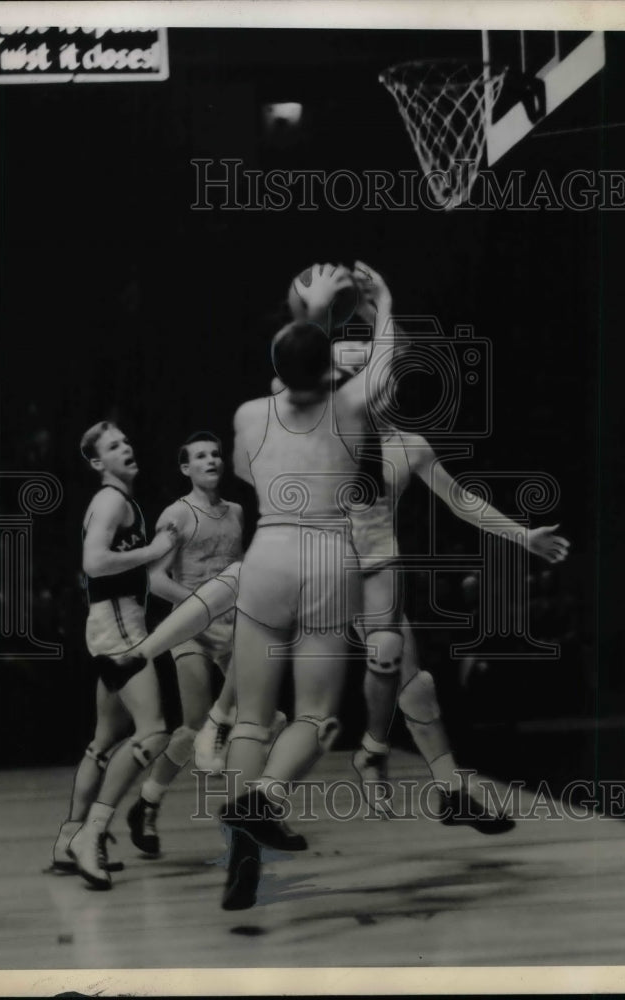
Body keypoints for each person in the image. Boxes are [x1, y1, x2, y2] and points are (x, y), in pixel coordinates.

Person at [219, 261, 396, 910]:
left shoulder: (246, 414)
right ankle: (264, 800)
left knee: (250, 717)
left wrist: (309, 314)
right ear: (330, 369)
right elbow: (383, 363)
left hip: (266, 552)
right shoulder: (351, 405)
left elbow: (289, 371)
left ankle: (240, 846)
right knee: (318, 716)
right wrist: (383, 302)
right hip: (326, 554)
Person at [344, 404, 570, 828]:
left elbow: (461, 500)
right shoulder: (317, 428)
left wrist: (522, 536)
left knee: (416, 685)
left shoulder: (408, 446)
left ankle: (450, 792)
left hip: (370, 573)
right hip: (305, 569)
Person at [49, 421, 175, 890]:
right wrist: (154, 549)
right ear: (98, 462)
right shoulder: (111, 500)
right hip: (120, 627)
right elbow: (94, 562)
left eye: (127, 439)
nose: (127, 446)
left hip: (108, 626)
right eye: (114, 445)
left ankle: (67, 840)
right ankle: (92, 834)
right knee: (155, 733)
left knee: (102, 744)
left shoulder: (116, 501)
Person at [126, 432, 257, 855]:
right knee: (194, 726)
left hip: (235, 631)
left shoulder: (236, 511)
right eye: (200, 456)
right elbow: (157, 581)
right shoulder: (177, 515)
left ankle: (252, 814)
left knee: (256, 720)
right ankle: (147, 803)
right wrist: (202, 607)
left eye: (216, 454)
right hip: (192, 630)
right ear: (186, 468)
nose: (211, 460)